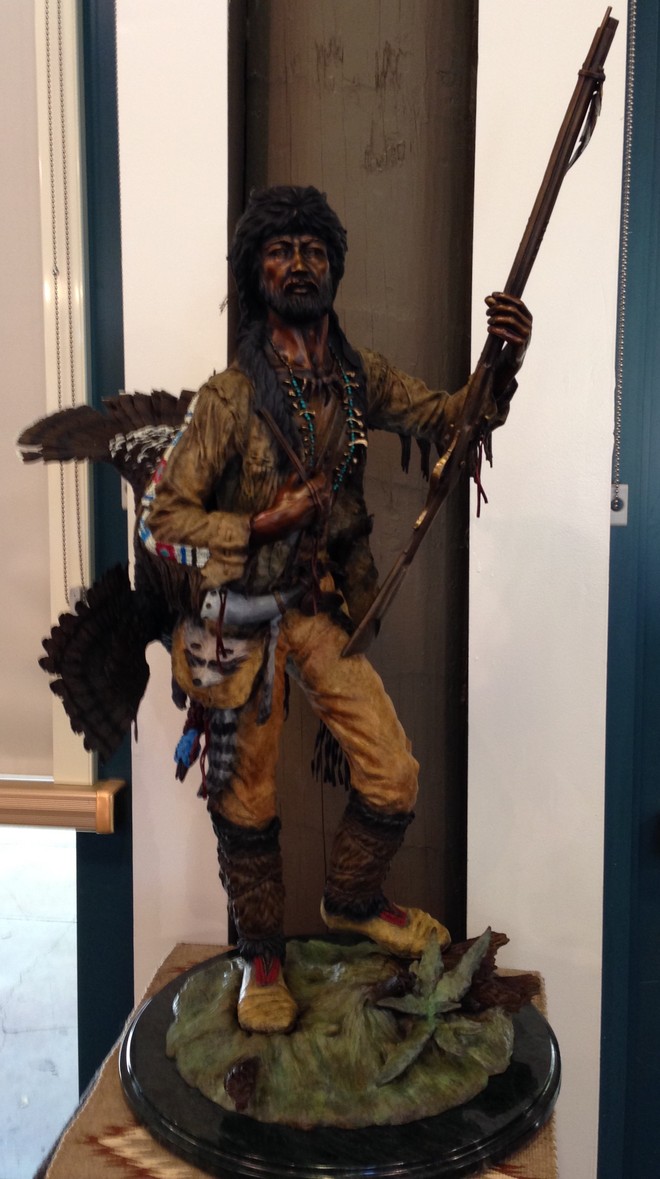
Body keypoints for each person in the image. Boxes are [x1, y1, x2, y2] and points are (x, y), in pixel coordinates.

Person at [137, 185, 532, 1034]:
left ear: (333, 268)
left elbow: (450, 420)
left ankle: (352, 898)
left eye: (313, 250)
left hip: (319, 610)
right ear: (256, 271)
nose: (299, 264)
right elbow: (160, 522)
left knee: (392, 770)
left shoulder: (357, 380)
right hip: (238, 625)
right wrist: (261, 522)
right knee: (247, 798)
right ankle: (261, 959)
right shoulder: (228, 398)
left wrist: (501, 364)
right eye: (280, 250)